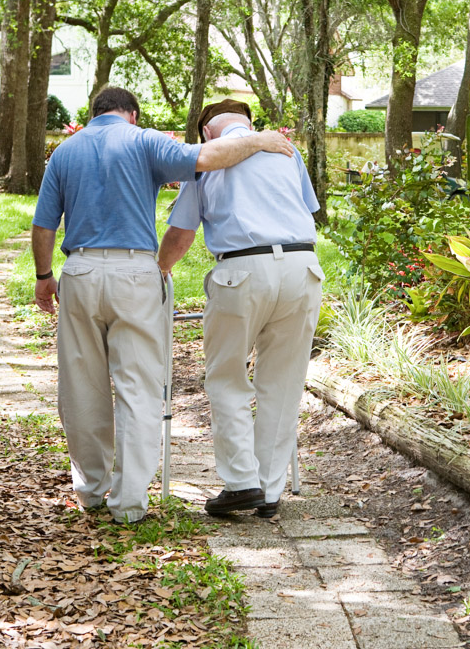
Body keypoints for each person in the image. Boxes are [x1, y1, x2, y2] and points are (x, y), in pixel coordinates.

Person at [31, 87, 293, 524]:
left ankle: (91, 491)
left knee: (81, 385)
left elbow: (44, 224)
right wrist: (260, 140)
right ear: (131, 114)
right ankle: (130, 503)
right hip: (135, 272)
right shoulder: (144, 140)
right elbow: (207, 157)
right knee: (138, 387)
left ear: (93, 113)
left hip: (78, 271)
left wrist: (44, 278)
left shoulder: (64, 152)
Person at [157, 99, 322, 518]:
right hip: (304, 266)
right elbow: (308, 209)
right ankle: (269, 491)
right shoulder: (286, 149)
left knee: (227, 377)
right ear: (249, 123)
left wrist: (158, 270)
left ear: (206, 133)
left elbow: (182, 233)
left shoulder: (207, 159)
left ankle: (241, 483)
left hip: (242, 269)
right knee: (283, 384)